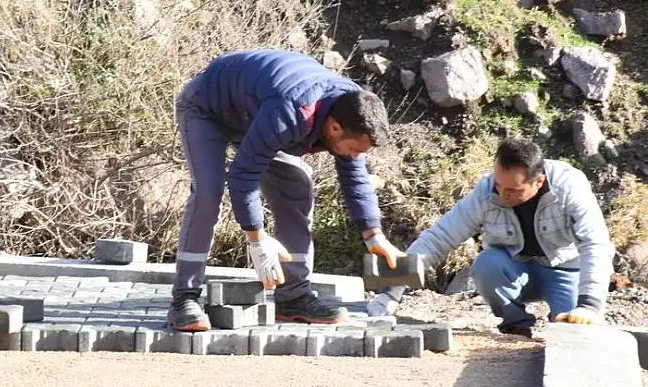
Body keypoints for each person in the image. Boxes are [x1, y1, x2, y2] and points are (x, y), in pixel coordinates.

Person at [167, 48, 405, 332]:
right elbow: (243, 175)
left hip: (256, 113)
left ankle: (293, 296)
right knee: (208, 192)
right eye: (354, 149)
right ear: (335, 128)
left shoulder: (355, 109)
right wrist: (257, 239)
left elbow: (355, 177)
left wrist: (373, 235)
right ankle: (185, 297)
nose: (355, 155)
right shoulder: (293, 111)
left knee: (296, 185)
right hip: (207, 108)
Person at [367, 138, 614, 336]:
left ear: (538, 181)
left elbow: (596, 244)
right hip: (513, 269)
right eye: (499, 185)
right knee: (486, 263)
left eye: (512, 190)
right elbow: (439, 237)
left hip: (563, 271)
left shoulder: (569, 187)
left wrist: (589, 306)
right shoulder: (487, 191)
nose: (502, 194)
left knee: (573, 330)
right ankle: (516, 326)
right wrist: (390, 291)